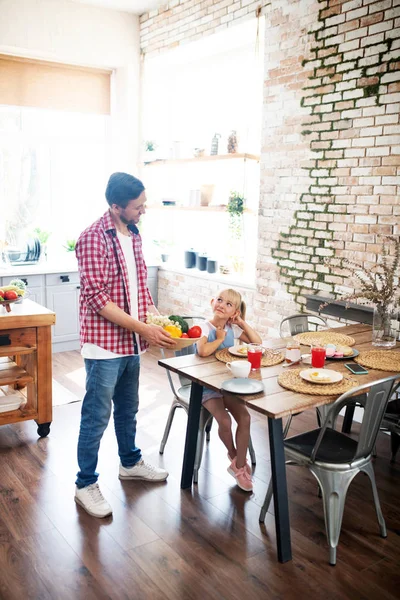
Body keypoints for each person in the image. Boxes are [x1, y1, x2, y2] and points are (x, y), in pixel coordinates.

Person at [74, 172, 176, 518]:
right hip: (104, 347)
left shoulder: (133, 235)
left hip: (131, 343)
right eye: (138, 206)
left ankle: (130, 462)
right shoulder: (92, 239)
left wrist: (157, 319)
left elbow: (139, 286)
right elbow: (97, 299)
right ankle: (85, 483)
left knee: (128, 408)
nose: (143, 211)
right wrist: (143, 329)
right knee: (95, 416)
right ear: (116, 207)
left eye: (144, 204)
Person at [196, 289, 262, 492]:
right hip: (206, 386)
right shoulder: (202, 327)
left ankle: (239, 466)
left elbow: (257, 343)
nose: (222, 305)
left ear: (235, 311)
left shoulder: (233, 328)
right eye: (220, 300)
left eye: (229, 304)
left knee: (245, 417)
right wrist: (218, 338)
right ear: (212, 301)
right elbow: (203, 351)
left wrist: (241, 323)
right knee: (224, 420)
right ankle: (236, 459)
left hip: (228, 385)